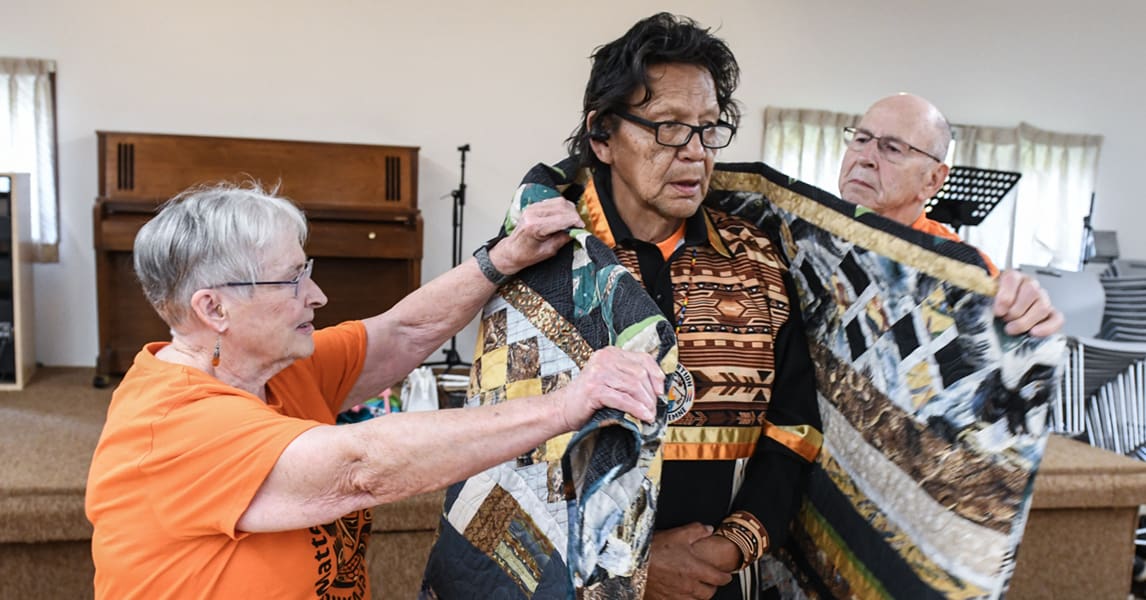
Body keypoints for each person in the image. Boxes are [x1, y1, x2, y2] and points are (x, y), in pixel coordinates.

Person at [83, 182, 664, 599]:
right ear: (214, 308)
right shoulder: (171, 423)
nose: (317, 296)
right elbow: (362, 465)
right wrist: (568, 403)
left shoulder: (274, 363)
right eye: (292, 280)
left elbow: (402, 332)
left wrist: (503, 258)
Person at [555, 13, 823, 600]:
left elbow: (794, 425)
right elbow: (509, 452)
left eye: (708, 129)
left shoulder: (756, 260)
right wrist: (633, 566)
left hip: (718, 581)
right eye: (669, 128)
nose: (696, 154)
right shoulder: (551, 260)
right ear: (603, 136)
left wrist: (731, 546)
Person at [839, 93, 1064, 337]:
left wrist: (1023, 307)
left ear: (933, 180)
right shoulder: (801, 231)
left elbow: (1009, 315)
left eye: (892, 148)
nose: (864, 158)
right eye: (861, 139)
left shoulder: (961, 269)